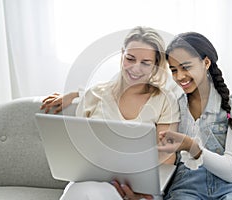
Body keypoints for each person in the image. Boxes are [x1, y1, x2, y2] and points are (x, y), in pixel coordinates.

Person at [41, 26, 180, 200]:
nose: (136, 68)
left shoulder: (165, 100)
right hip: (92, 181)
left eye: (145, 63)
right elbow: (79, 148)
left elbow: (167, 156)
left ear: (155, 66)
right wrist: (75, 94)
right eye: (130, 58)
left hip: (140, 189)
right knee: (84, 191)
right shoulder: (95, 94)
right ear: (122, 55)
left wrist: (137, 185)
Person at [154, 32, 232, 199]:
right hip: (187, 185)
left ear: (206, 62)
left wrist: (191, 146)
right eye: (174, 70)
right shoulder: (173, 104)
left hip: (231, 187)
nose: (179, 76)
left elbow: (231, 172)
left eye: (186, 67)